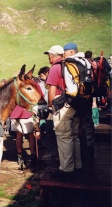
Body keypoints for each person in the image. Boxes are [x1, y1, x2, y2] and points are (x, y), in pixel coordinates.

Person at [45, 44, 82, 176]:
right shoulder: (70, 64)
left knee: (64, 137)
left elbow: (52, 89)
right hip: (76, 103)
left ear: (52, 55)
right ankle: (78, 164)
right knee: (75, 136)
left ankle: (67, 169)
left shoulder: (55, 67)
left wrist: (50, 106)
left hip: (62, 107)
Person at [64, 43, 95, 169]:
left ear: (71, 52)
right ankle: (90, 155)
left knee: (76, 129)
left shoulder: (69, 64)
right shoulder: (86, 61)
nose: (63, 54)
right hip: (88, 96)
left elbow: (71, 89)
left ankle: (79, 160)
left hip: (77, 99)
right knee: (88, 125)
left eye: (65, 52)